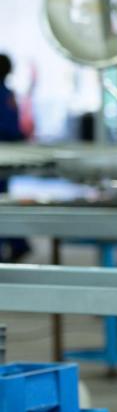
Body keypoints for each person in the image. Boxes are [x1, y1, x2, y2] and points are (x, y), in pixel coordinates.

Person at [0, 53, 30, 262]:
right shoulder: (8, 94)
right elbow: (14, 128)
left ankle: (17, 243)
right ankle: (18, 242)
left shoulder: (6, 95)